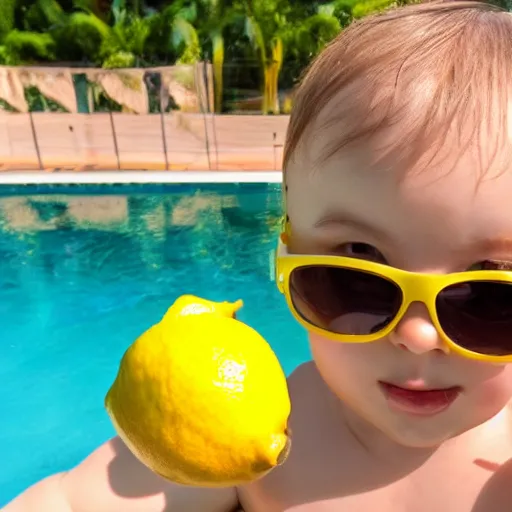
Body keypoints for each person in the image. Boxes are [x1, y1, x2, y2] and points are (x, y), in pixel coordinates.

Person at [6, 1, 512, 510]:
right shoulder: (248, 422)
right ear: (285, 263)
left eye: (490, 295)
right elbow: (69, 503)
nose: (419, 337)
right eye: (355, 271)